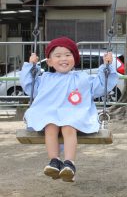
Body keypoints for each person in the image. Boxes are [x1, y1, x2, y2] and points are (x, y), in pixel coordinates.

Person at [20, 37, 118, 182]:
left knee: (68, 127)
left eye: (68, 55)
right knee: (50, 127)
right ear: (49, 62)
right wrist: (31, 66)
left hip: (74, 115)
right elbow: (29, 85)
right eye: (58, 56)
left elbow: (100, 86)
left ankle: (69, 163)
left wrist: (107, 66)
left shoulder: (82, 78)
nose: (63, 59)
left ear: (74, 59)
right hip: (51, 115)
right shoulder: (45, 78)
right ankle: (54, 161)